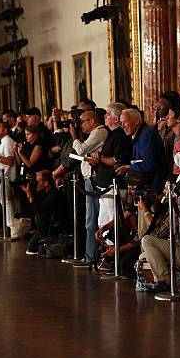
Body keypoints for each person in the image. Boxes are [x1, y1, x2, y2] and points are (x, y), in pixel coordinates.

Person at [70, 110, 109, 266]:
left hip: (93, 180)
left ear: (92, 121)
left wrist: (74, 136)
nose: (80, 125)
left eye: (82, 121)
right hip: (90, 178)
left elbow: (81, 150)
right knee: (91, 219)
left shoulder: (99, 132)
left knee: (92, 219)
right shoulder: (95, 134)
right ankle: (92, 256)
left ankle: (91, 257)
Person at [89, 103, 132, 233]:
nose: (105, 117)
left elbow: (116, 161)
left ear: (116, 119)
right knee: (102, 222)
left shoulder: (120, 136)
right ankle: (106, 251)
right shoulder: (111, 133)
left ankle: (114, 251)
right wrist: (97, 159)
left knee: (112, 223)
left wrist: (100, 157)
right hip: (105, 185)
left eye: (107, 114)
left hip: (114, 185)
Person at [23, 170, 68, 255]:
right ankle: (42, 243)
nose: (36, 183)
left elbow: (38, 211)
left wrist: (30, 196)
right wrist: (30, 194)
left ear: (46, 183)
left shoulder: (54, 194)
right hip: (47, 224)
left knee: (39, 218)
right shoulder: (43, 191)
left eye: (38, 181)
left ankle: (46, 243)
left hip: (56, 224)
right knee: (30, 247)